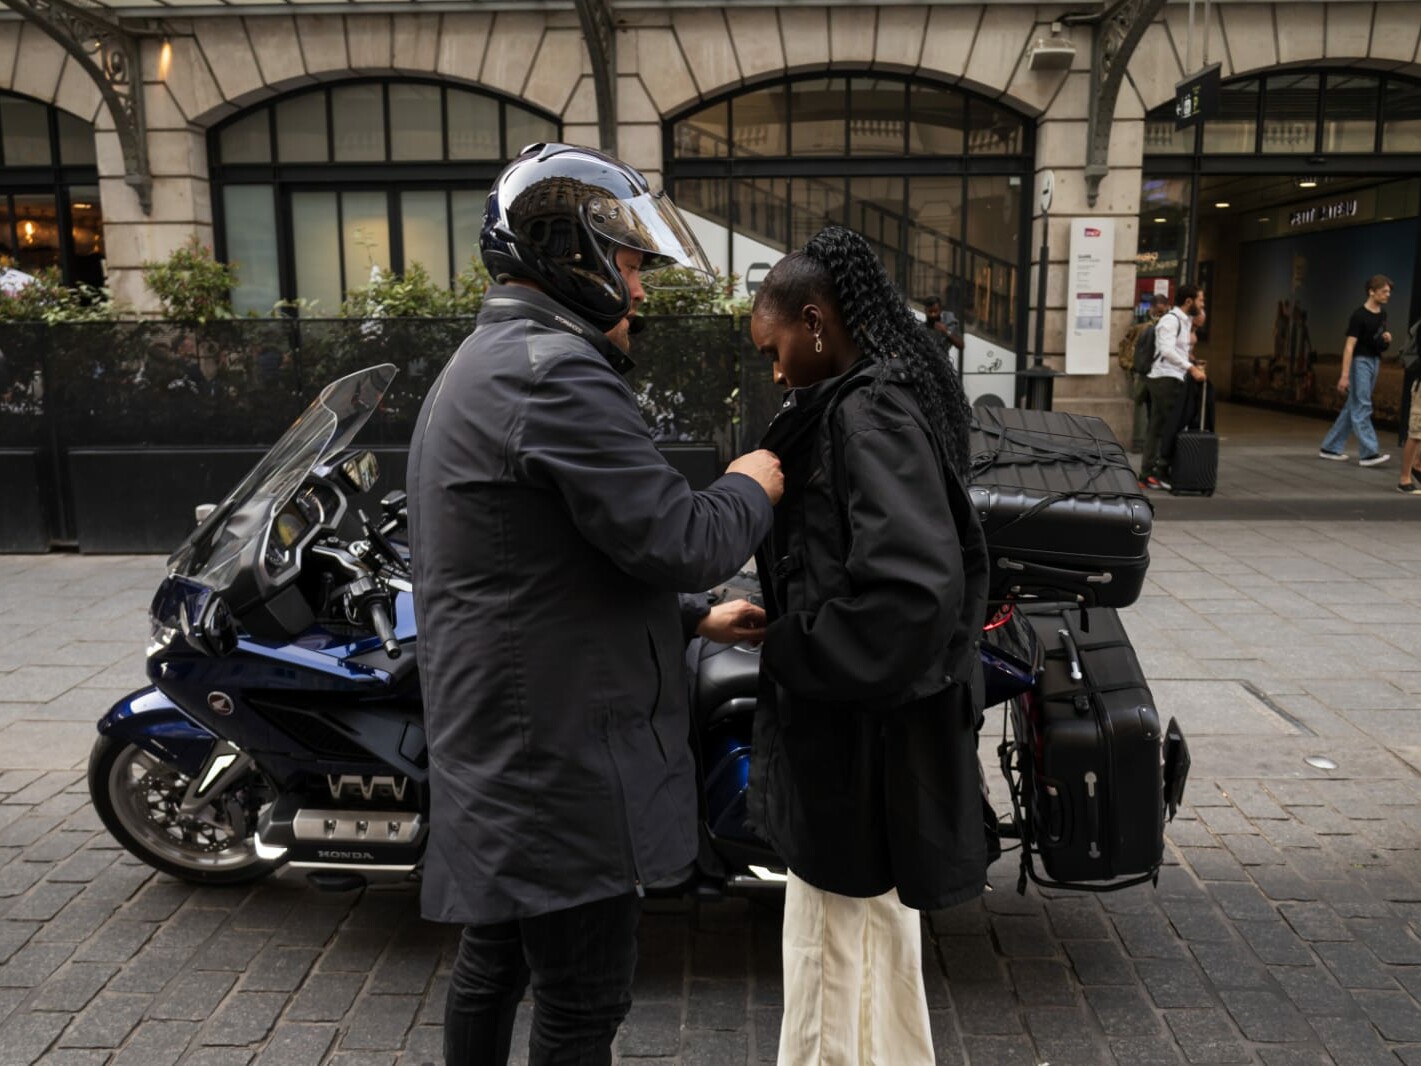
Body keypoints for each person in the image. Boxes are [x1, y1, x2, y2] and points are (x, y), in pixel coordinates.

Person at [406, 143, 784, 1066]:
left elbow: (544, 566)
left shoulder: (496, 355)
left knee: (493, 961)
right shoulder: (553, 372)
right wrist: (752, 483)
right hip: (559, 761)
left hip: (509, 735)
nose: (640, 290)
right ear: (567, 251)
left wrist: (693, 617)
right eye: (627, 264)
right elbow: (681, 537)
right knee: (582, 999)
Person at [747, 226, 992, 1064]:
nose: (775, 371)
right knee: (872, 954)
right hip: (867, 740)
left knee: (830, 960)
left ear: (815, 322)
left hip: (852, 748)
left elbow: (908, 595)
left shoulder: (867, 413)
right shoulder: (873, 400)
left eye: (775, 349)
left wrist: (789, 645)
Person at [1320, 274, 1393, 467]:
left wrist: (1385, 340)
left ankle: (1330, 447)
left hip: (1375, 361)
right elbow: (1349, 346)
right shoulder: (1359, 316)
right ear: (1372, 292)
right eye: (1384, 291)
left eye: (1389, 292)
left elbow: (1376, 343)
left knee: (1354, 406)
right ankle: (1369, 453)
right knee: (1362, 405)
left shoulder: (1382, 314)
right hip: (1360, 362)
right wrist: (1345, 375)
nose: (1388, 295)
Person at [1141, 284, 1207, 490]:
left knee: (1158, 426)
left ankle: (1148, 473)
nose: (1202, 304)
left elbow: (1178, 349)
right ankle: (1160, 470)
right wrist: (1191, 369)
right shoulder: (1171, 321)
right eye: (1200, 301)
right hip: (1164, 379)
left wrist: (1192, 363)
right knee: (1172, 425)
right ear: (1189, 301)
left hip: (1169, 377)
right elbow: (1167, 351)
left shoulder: (1183, 321)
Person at [1119, 292, 1170, 449]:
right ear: (1152, 308)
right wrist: (1130, 365)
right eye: (1158, 311)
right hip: (1142, 372)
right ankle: (1140, 441)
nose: (1160, 314)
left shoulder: (1169, 323)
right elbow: (1127, 343)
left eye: (1163, 311)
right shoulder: (1141, 323)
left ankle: (1152, 443)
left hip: (1161, 374)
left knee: (1157, 411)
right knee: (1141, 407)